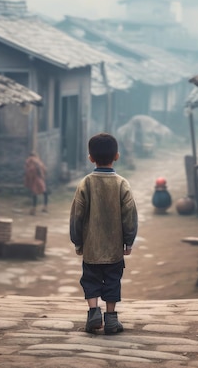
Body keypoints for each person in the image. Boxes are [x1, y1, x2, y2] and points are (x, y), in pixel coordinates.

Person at [69, 133, 138, 334]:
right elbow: (129, 215)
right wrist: (128, 241)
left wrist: (77, 241)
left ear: (90, 158)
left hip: (91, 247)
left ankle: (93, 313)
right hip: (114, 249)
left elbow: (76, 215)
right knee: (113, 281)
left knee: (90, 280)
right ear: (117, 156)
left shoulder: (85, 184)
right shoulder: (121, 184)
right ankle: (111, 319)